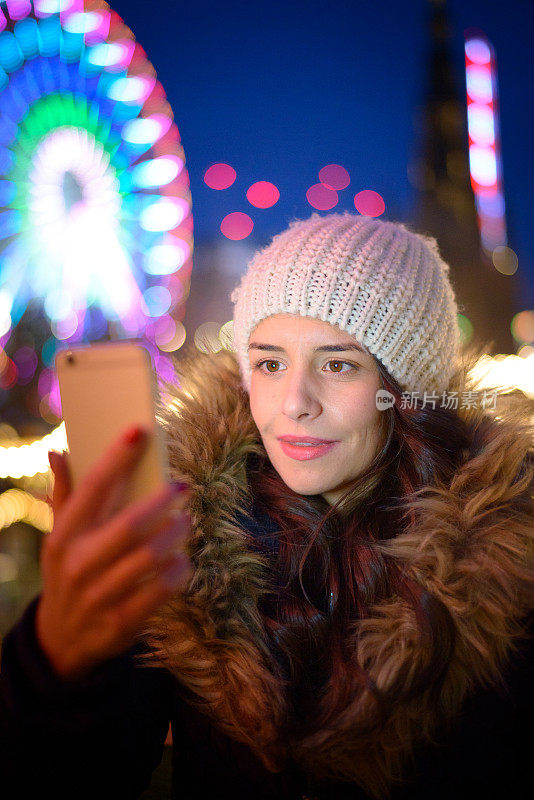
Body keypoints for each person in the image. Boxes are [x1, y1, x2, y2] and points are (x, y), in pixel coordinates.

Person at [1, 212, 533, 800]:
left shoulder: (511, 568)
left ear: (404, 391)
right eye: (270, 363)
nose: (293, 404)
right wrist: (57, 668)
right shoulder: (182, 547)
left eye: (339, 364)